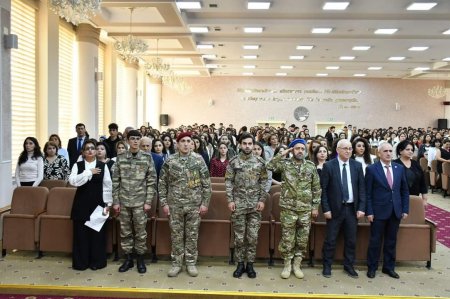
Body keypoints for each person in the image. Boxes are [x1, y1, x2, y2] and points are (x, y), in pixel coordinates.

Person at [266, 138, 321, 279]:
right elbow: (269, 166)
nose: (300, 151)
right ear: (292, 150)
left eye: (302, 149)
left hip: (305, 209)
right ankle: (287, 264)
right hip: (288, 209)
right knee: (287, 238)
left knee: (302, 239)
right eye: (297, 148)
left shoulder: (310, 166)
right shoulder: (285, 164)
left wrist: (315, 207)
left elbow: (316, 188)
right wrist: (283, 153)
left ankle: (297, 264)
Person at [159, 132, 211, 278]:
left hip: (194, 205)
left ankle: (190, 263)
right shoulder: (170, 161)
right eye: (183, 141)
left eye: (189, 141)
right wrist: (164, 203)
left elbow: (207, 184)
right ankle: (176, 263)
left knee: (192, 235)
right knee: (176, 235)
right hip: (174, 206)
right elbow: (162, 183)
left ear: (192, 144)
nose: (186, 144)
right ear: (177, 144)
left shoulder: (198, 160)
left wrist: (205, 203)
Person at [112, 130, 157, 274]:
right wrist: (116, 201)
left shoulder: (146, 158)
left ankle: (140, 259)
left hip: (140, 201)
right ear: (127, 140)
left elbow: (151, 181)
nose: (136, 141)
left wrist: (148, 201)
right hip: (124, 201)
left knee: (140, 232)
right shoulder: (120, 158)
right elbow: (115, 181)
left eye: (138, 139)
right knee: (125, 232)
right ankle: (128, 258)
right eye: (133, 139)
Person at [320, 139, 366, 278]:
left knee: (351, 240)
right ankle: (327, 266)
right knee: (331, 240)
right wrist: (326, 209)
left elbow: (362, 189)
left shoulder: (357, 166)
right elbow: (324, 190)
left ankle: (349, 266)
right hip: (334, 210)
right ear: (338, 150)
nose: (348, 151)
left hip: (352, 209)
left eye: (350, 148)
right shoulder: (329, 166)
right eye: (345, 148)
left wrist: (361, 207)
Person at [225, 133, 268, 278]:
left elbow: (264, 182)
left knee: (252, 237)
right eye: (245, 143)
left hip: (255, 205)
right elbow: (229, 182)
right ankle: (239, 264)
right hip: (238, 205)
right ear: (239, 144)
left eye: (250, 143)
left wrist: (262, 200)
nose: (247, 146)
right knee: (239, 237)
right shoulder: (233, 162)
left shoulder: (260, 162)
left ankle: (250, 264)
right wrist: (230, 200)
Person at [365, 143, 409, 279]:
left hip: (395, 211)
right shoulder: (372, 169)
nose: (389, 153)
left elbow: (404, 190)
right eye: (385, 151)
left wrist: (405, 209)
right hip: (378, 212)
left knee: (391, 241)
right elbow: (368, 193)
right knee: (375, 241)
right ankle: (372, 268)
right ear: (379, 153)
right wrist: (369, 212)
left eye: (390, 151)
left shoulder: (399, 168)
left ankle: (389, 268)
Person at [69, 139, 112, 271]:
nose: (90, 150)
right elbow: (73, 181)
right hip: (81, 203)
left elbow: (107, 185)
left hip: (98, 203)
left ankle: (96, 262)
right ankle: (81, 263)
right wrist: (88, 172)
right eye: (87, 148)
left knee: (96, 234)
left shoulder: (103, 166)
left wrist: (108, 204)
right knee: (81, 234)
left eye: (92, 148)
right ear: (83, 151)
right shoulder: (78, 165)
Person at [394, 140, 428, 205]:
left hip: (414, 197)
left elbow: (422, 182)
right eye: (407, 149)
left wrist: (424, 199)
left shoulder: (416, 164)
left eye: (412, 150)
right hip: (398, 199)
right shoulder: (394, 164)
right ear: (400, 151)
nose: (410, 151)